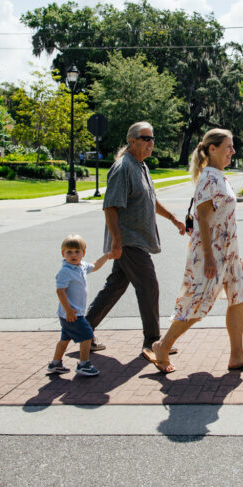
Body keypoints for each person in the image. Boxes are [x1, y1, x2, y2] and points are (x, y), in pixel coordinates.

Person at [146, 129, 243, 374]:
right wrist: (210, 257)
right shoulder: (209, 179)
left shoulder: (220, 176)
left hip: (229, 253)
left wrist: (231, 253)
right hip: (211, 254)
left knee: (238, 298)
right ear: (212, 149)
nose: (233, 151)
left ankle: (237, 356)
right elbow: (202, 218)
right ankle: (163, 345)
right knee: (197, 304)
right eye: (228, 147)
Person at [85, 122, 187, 358]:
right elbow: (110, 206)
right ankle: (153, 342)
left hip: (135, 239)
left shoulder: (141, 166)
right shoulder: (123, 168)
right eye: (146, 138)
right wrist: (117, 242)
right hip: (129, 241)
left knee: (115, 287)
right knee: (149, 286)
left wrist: (172, 218)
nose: (152, 143)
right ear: (132, 141)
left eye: (153, 138)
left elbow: (150, 200)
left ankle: (82, 331)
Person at [46, 234, 111, 377]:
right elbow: (60, 291)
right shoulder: (66, 271)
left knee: (65, 339)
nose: (73, 255)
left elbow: (94, 266)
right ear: (63, 253)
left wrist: (106, 256)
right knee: (87, 336)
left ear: (83, 253)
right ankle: (84, 364)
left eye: (77, 251)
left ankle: (55, 364)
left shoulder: (81, 266)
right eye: (69, 252)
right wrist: (69, 310)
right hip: (72, 313)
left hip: (70, 314)